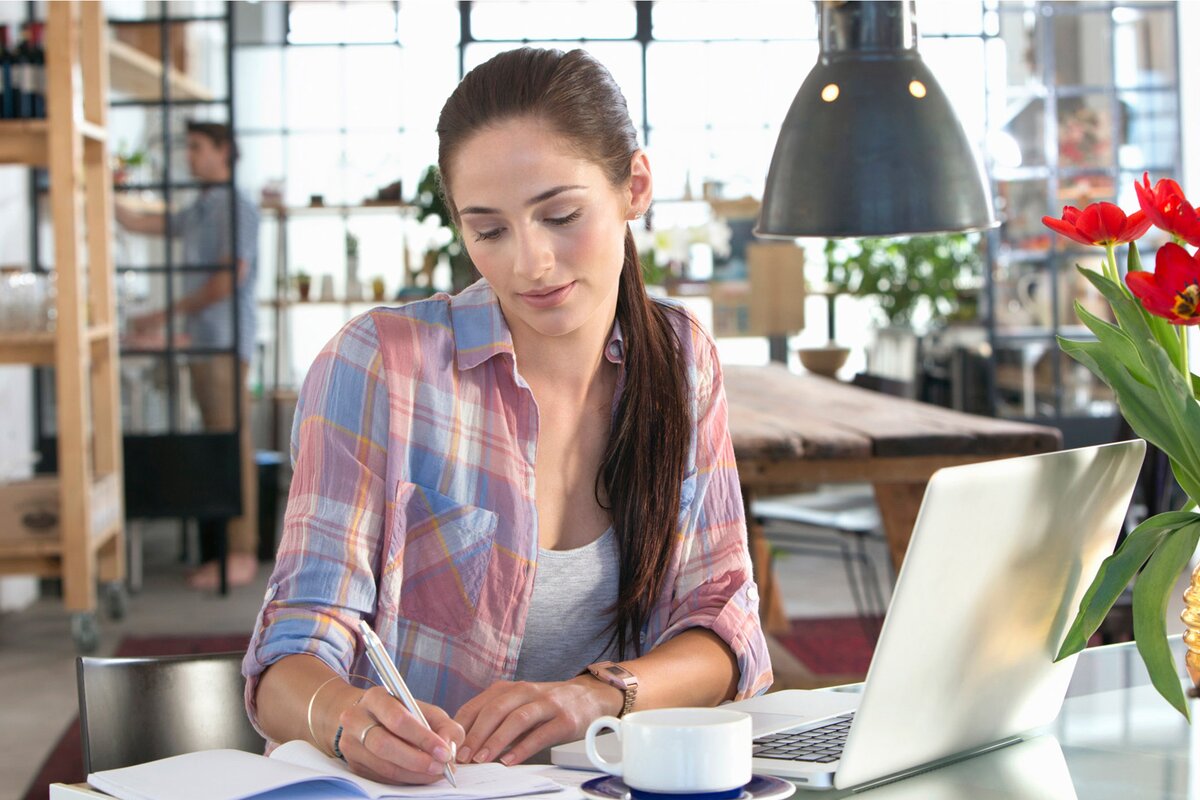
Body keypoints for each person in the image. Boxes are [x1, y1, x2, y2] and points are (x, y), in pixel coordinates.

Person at [242, 47, 771, 785]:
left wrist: (598, 696)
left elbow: (723, 624)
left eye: (560, 216)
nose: (531, 263)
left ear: (635, 187)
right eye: (489, 231)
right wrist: (344, 716)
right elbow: (286, 659)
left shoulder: (680, 361)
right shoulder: (379, 365)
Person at [115, 121, 261, 590]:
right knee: (217, 445)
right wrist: (103, 187)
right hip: (203, 341)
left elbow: (228, 278)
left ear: (224, 152)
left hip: (222, 342)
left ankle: (240, 555)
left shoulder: (234, 207)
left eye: (198, 148)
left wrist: (162, 317)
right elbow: (140, 221)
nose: (190, 157)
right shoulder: (200, 208)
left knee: (229, 444)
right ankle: (228, 553)